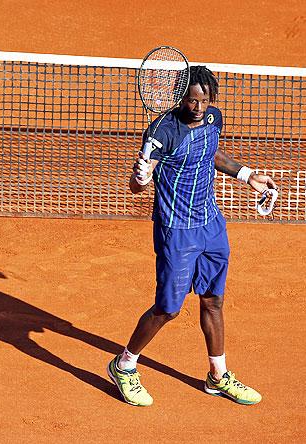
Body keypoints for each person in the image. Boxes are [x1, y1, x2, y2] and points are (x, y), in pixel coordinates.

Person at [107, 65, 277, 407]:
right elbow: (136, 188)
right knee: (168, 308)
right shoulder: (161, 132)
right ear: (180, 96)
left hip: (211, 224)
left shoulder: (213, 118)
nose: (198, 107)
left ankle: (217, 377)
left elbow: (209, 152)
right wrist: (140, 177)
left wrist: (248, 176)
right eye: (191, 100)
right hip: (177, 231)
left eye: (203, 100)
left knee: (213, 300)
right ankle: (123, 365)